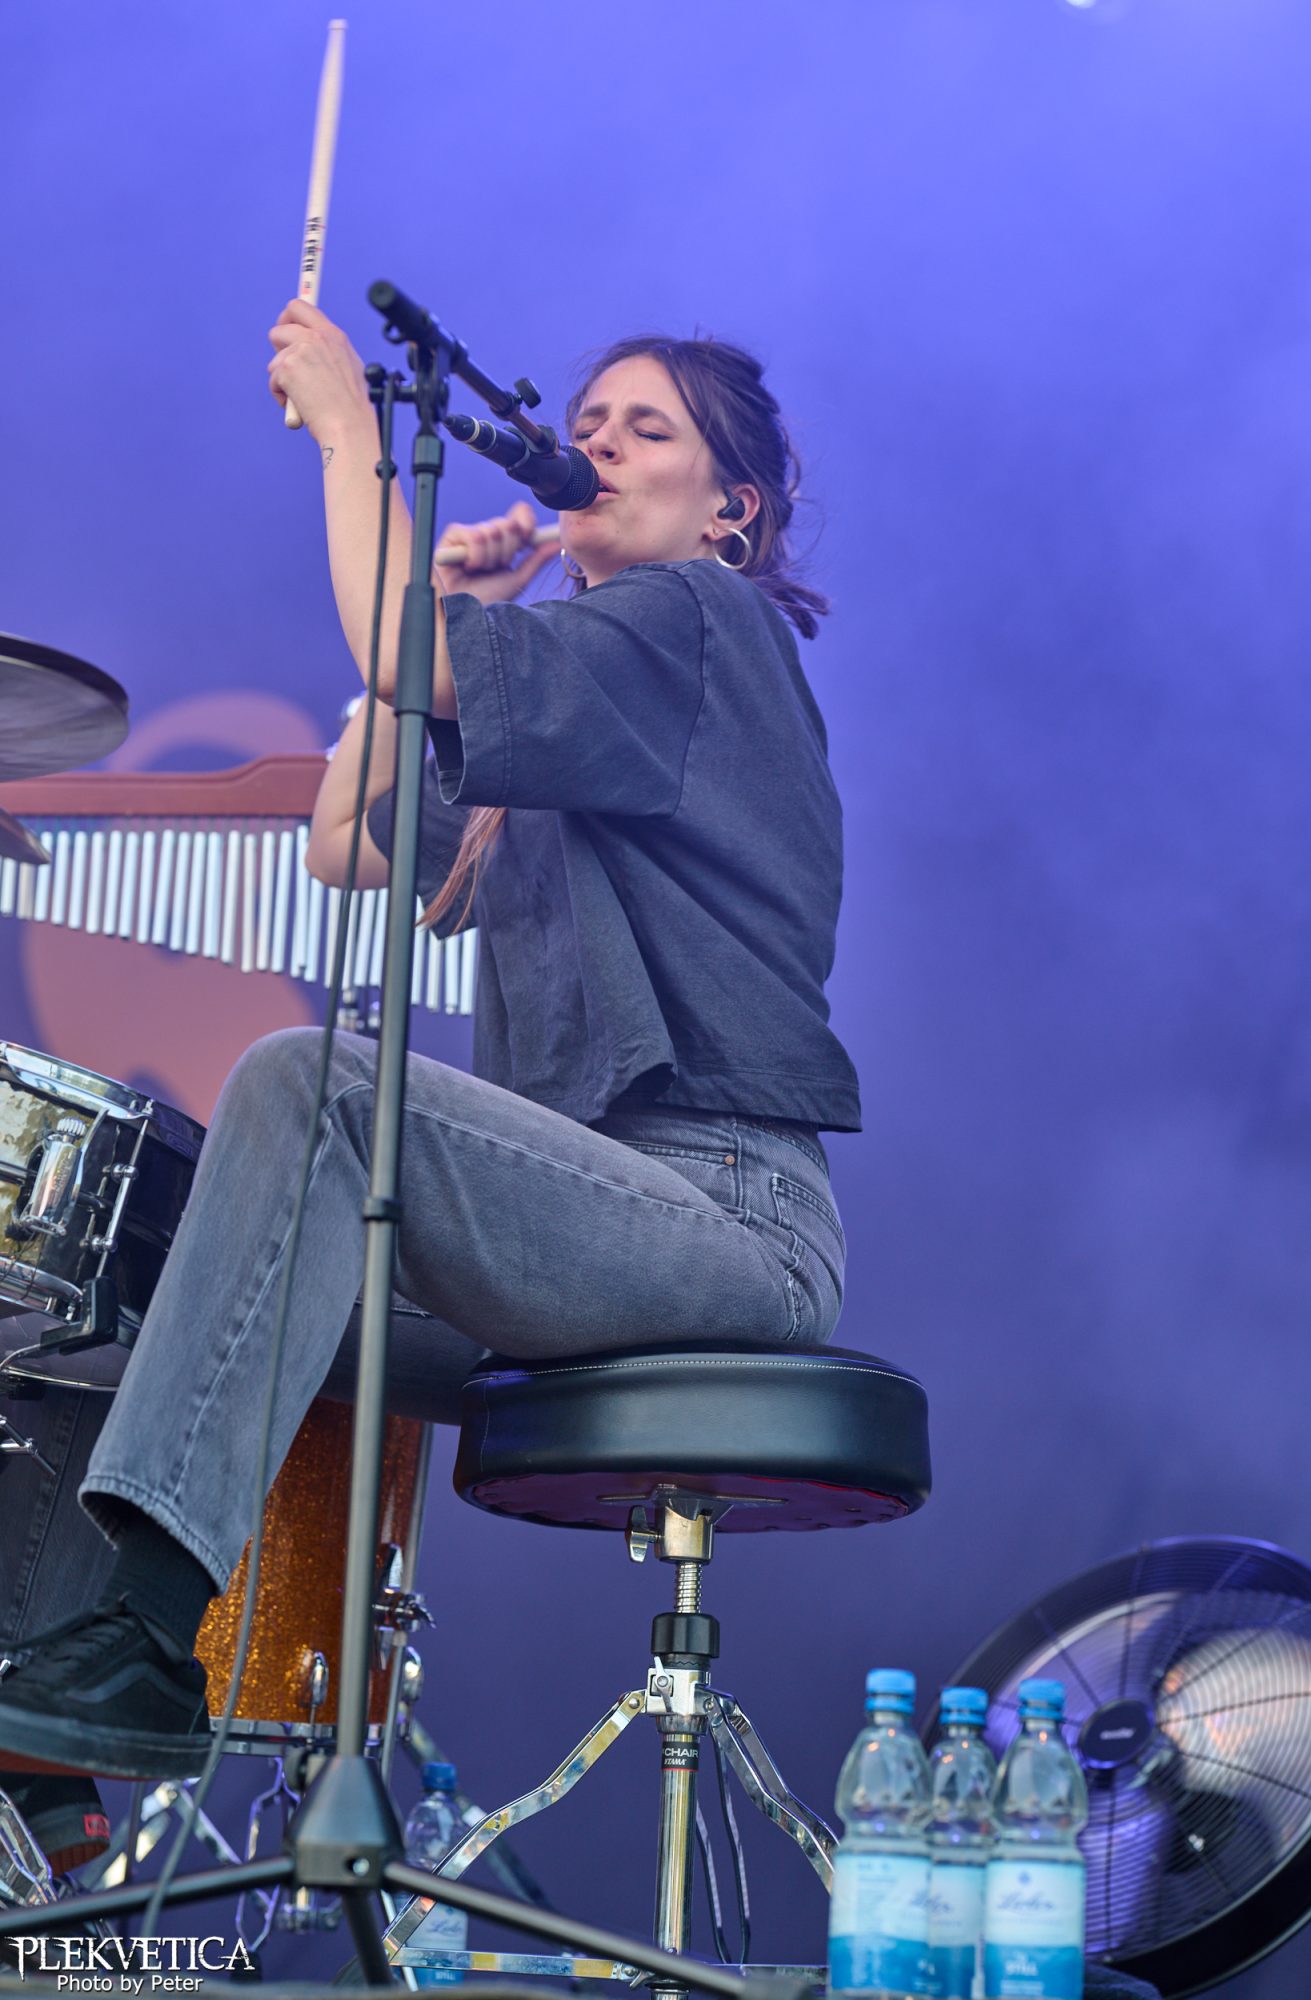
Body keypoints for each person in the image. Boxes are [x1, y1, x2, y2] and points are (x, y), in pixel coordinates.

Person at [0, 302, 860, 1871]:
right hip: (586, 1237)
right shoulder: (582, 714)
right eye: (585, 426)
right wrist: (451, 608)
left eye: (645, 429)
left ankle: (133, 1649)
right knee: (157, 1255)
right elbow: (347, 843)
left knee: (312, 1088)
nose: (598, 447)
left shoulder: (699, 623)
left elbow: (410, 660)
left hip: (720, 1214)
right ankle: (48, 1755)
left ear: (731, 509)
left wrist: (351, 437)